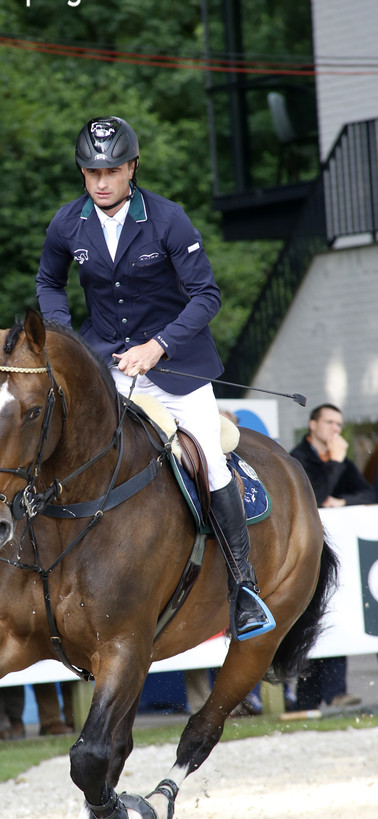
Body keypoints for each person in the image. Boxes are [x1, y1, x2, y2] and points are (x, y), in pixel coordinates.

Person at [36, 115, 274, 641]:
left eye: (112, 171)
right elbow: (49, 282)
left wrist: (158, 345)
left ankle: (244, 589)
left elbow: (206, 295)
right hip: (109, 369)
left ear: (132, 168)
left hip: (177, 369)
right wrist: (65, 340)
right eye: (91, 171)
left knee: (209, 462)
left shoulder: (167, 220)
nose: (101, 182)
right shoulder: (66, 224)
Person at [291, 403, 374, 710]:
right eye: (329, 423)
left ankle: (334, 692)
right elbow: (312, 495)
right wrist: (335, 465)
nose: (335, 430)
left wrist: (342, 501)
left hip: (337, 553)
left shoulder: (337, 460)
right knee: (312, 620)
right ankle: (306, 701)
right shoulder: (298, 458)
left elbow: (368, 493)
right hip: (305, 553)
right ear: (313, 425)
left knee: (336, 616)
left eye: (339, 425)